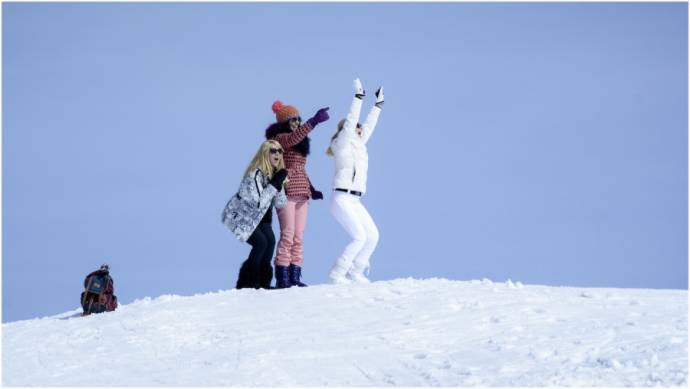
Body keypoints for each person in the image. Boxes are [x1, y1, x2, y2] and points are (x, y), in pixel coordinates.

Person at [265, 100, 330, 288]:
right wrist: (314, 121)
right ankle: (282, 277)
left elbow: (299, 169)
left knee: (298, 236)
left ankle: (295, 274)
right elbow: (293, 138)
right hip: (286, 193)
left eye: (298, 119)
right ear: (284, 122)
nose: (296, 122)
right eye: (292, 119)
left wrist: (312, 188)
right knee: (287, 234)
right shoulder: (280, 138)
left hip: (302, 193)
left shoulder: (300, 142)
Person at [326, 78, 384, 284]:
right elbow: (352, 121)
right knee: (359, 237)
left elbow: (369, 126)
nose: (360, 129)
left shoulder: (359, 144)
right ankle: (337, 274)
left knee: (373, 236)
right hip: (341, 198)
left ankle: (355, 271)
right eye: (356, 127)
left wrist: (378, 105)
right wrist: (358, 96)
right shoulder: (341, 144)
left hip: (355, 200)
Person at [221, 140, 289, 289]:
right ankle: (247, 284)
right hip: (241, 218)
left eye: (280, 151)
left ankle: (263, 284)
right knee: (261, 243)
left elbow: (280, 203)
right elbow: (259, 203)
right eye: (273, 150)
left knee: (270, 242)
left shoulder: (273, 175)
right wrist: (275, 183)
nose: (277, 154)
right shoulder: (254, 175)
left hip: (261, 220)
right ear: (265, 153)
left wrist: (280, 184)